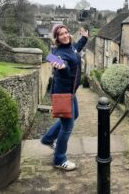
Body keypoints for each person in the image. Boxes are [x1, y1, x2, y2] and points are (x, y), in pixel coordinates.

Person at [41, 24, 88, 171]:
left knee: (74, 116)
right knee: (67, 127)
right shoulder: (58, 54)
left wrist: (84, 38)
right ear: (57, 38)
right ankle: (59, 159)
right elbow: (63, 64)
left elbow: (76, 49)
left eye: (66, 32)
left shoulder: (71, 47)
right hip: (62, 94)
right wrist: (62, 66)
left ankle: (48, 138)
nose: (65, 35)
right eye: (61, 34)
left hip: (70, 92)